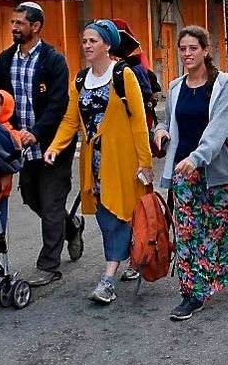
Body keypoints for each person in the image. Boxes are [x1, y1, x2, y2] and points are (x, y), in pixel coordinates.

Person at [44, 19, 152, 305]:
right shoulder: (80, 80)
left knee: (120, 213)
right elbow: (70, 120)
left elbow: (138, 121)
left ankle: (108, 279)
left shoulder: (123, 75)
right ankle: (125, 258)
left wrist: (145, 162)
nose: (87, 45)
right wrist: (55, 147)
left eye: (93, 40)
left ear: (107, 44)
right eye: (84, 41)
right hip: (94, 163)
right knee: (107, 216)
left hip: (123, 159)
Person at [153, 26, 228, 322]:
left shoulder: (223, 85)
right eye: (182, 48)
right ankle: (192, 292)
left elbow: (218, 130)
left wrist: (197, 158)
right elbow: (169, 121)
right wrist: (160, 132)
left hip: (220, 169)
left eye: (193, 48)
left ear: (205, 50)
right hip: (184, 172)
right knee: (189, 234)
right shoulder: (175, 87)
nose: (187, 54)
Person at [0, 2, 82, 287]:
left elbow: (57, 104)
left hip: (53, 145)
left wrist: (37, 133)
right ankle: (72, 226)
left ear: (36, 26)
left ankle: (49, 265)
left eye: (20, 23)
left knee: (52, 202)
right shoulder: (4, 61)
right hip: (21, 147)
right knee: (31, 196)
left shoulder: (53, 60)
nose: (14, 28)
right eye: (12, 23)